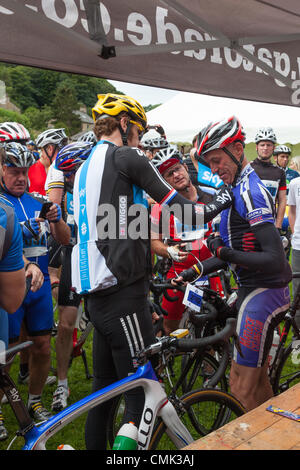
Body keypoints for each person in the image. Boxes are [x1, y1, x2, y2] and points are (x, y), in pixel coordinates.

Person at [71, 93, 234, 450]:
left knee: (104, 393)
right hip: (123, 294)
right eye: (139, 133)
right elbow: (190, 214)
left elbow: (119, 223)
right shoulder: (124, 156)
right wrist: (226, 197)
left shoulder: (85, 166)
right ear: (126, 124)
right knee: (142, 394)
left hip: (95, 297)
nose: (141, 143)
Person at [172, 116, 292, 412]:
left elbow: (276, 260)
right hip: (251, 288)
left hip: (265, 292)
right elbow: (227, 248)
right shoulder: (234, 187)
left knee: (239, 387)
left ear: (238, 150)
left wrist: (224, 254)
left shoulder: (250, 192)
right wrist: (193, 271)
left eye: (216, 161)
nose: (213, 170)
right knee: (254, 381)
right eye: (208, 164)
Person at [0, 142, 70, 426]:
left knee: (42, 347)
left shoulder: (38, 201)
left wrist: (56, 220)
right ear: (2, 170)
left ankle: (35, 401)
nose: (20, 178)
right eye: (14, 171)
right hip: (9, 289)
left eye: (24, 172)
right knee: (6, 354)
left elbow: (65, 240)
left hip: (39, 291)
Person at [151, 145, 221, 335]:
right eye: (168, 174)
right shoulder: (162, 207)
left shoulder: (212, 196)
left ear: (185, 167)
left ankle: (209, 361)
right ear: (164, 181)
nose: (176, 175)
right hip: (178, 274)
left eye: (177, 169)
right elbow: (154, 242)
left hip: (210, 270)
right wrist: (168, 251)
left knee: (212, 330)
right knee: (168, 329)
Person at [50, 141, 94, 412]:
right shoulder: (70, 191)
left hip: (100, 260)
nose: (67, 180)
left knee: (105, 324)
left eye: (71, 173)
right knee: (66, 325)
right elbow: (66, 238)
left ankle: (115, 384)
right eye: (64, 175)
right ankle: (62, 384)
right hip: (76, 258)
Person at [251, 127, 286, 230]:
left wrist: (278, 225)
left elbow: (282, 200)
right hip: (248, 225)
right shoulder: (247, 169)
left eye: (268, 145)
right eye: (262, 145)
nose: (265, 148)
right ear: (256, 147)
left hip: (269, 224)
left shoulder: (280, 172)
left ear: (273, 148)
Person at [287, 175, 300, 329]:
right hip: (298, 245)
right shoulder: (295, 183)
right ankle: (297, 340)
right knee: (297, 291)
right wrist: (295, 233)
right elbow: (292, 211)